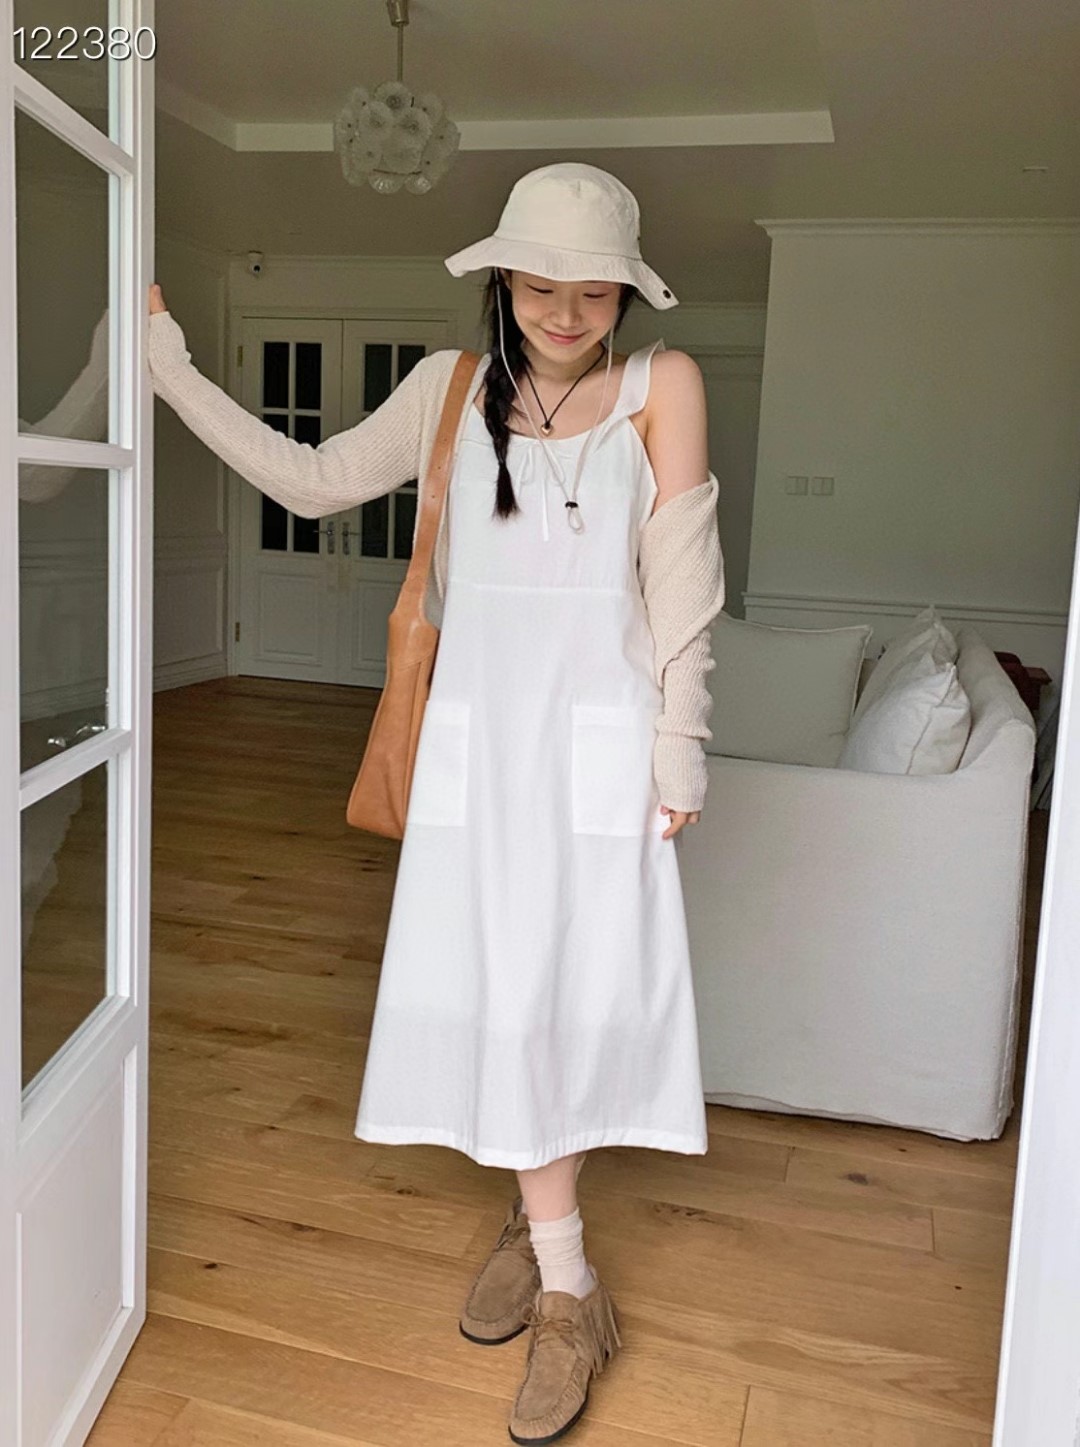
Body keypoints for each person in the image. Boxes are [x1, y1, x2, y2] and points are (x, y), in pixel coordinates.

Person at [147, 160, 725, 1446]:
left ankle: (564, 1280)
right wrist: (168, 370)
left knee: (565, 995)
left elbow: (683, 588)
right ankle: (554, 1246)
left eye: (593, 292)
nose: (564, 313)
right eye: (539, 284)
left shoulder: (662, 387)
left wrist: (680, 749)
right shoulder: (450, 390)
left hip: (600, 755)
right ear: (501, 277)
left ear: (627, 294)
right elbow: (307, 480)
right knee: (499, 993)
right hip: (476, 751)